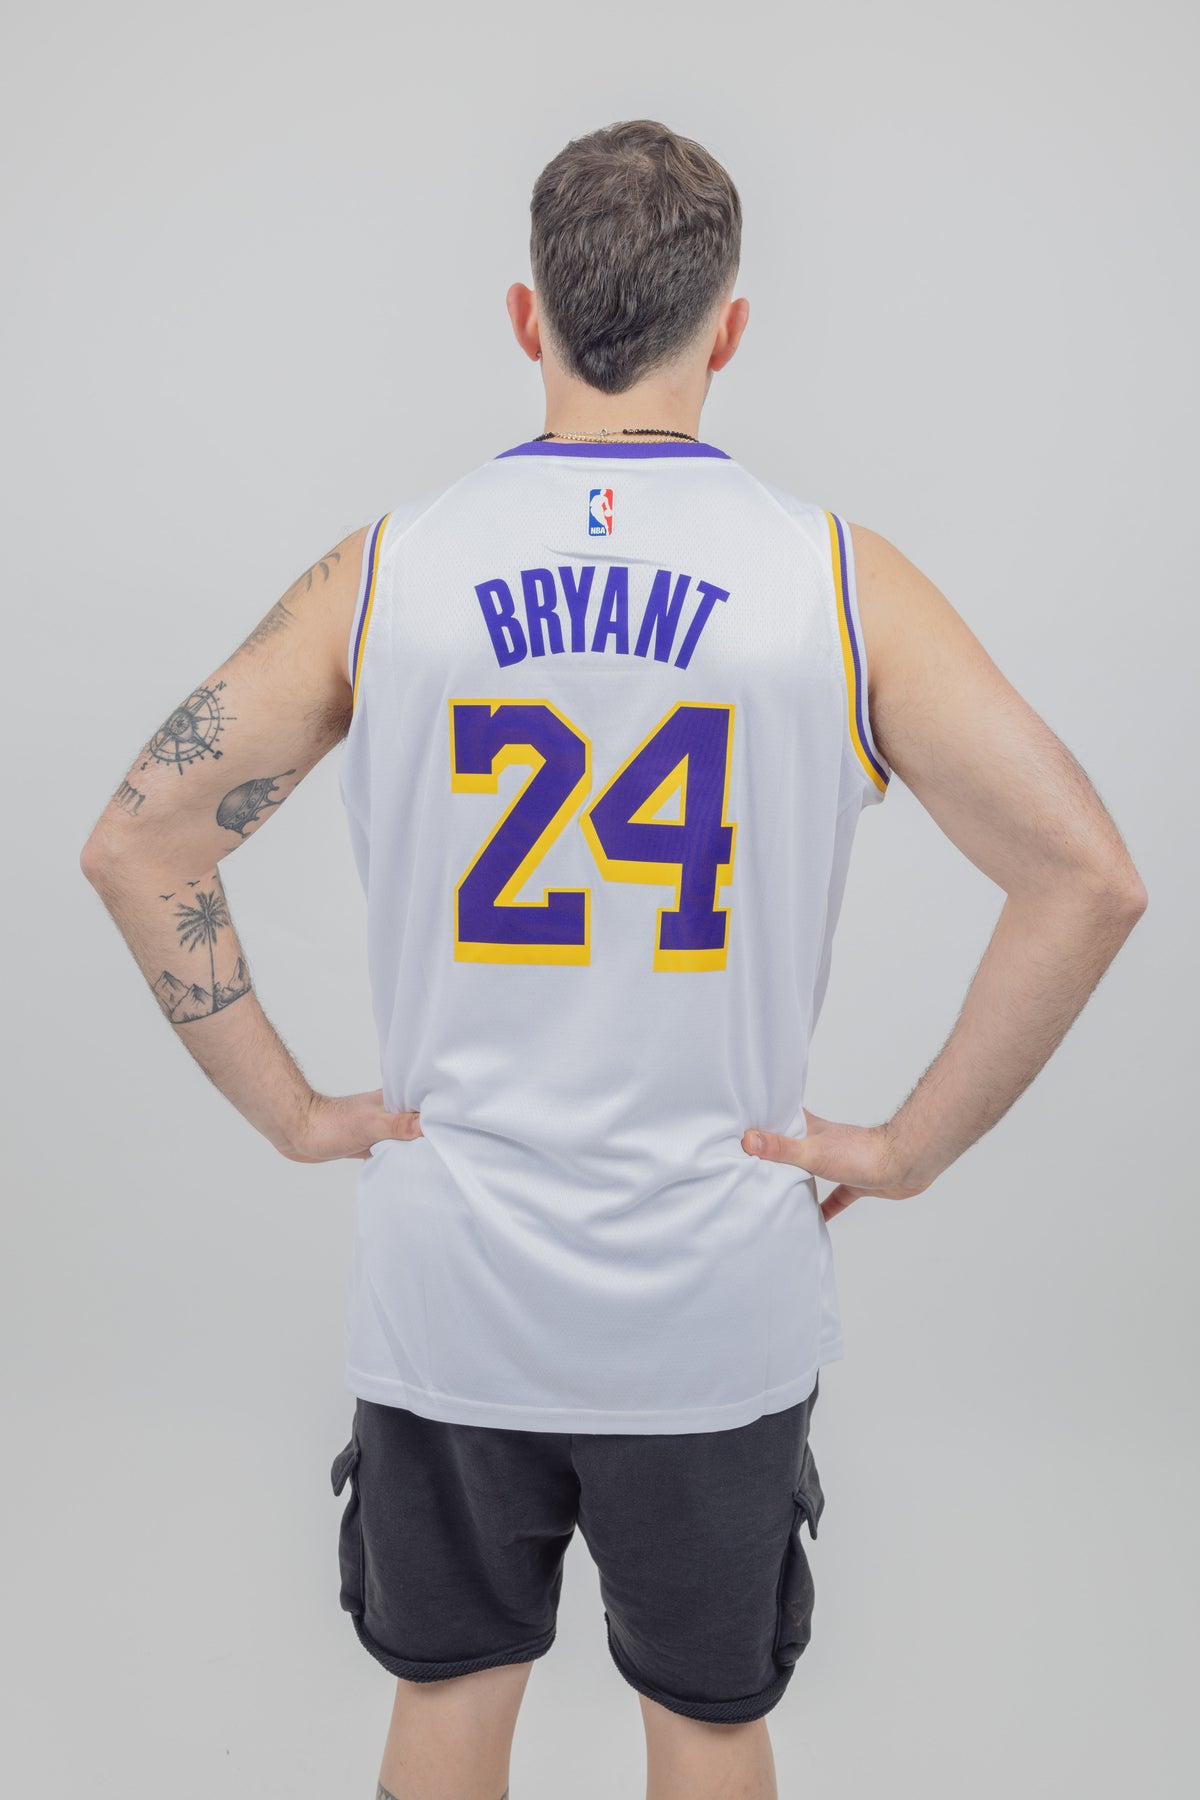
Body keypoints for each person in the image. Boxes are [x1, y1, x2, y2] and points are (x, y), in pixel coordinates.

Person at [80, 118, 1148, 1800]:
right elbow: (1087, 876)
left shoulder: (389, 572)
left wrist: (293, 1115)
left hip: (452, 1289)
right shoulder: (834, 582)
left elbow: (141, 839)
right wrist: (904, 1150)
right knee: (711, 1725)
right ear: (730, 328)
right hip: (713, 1301)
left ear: (529, 317)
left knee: (447, 1703)